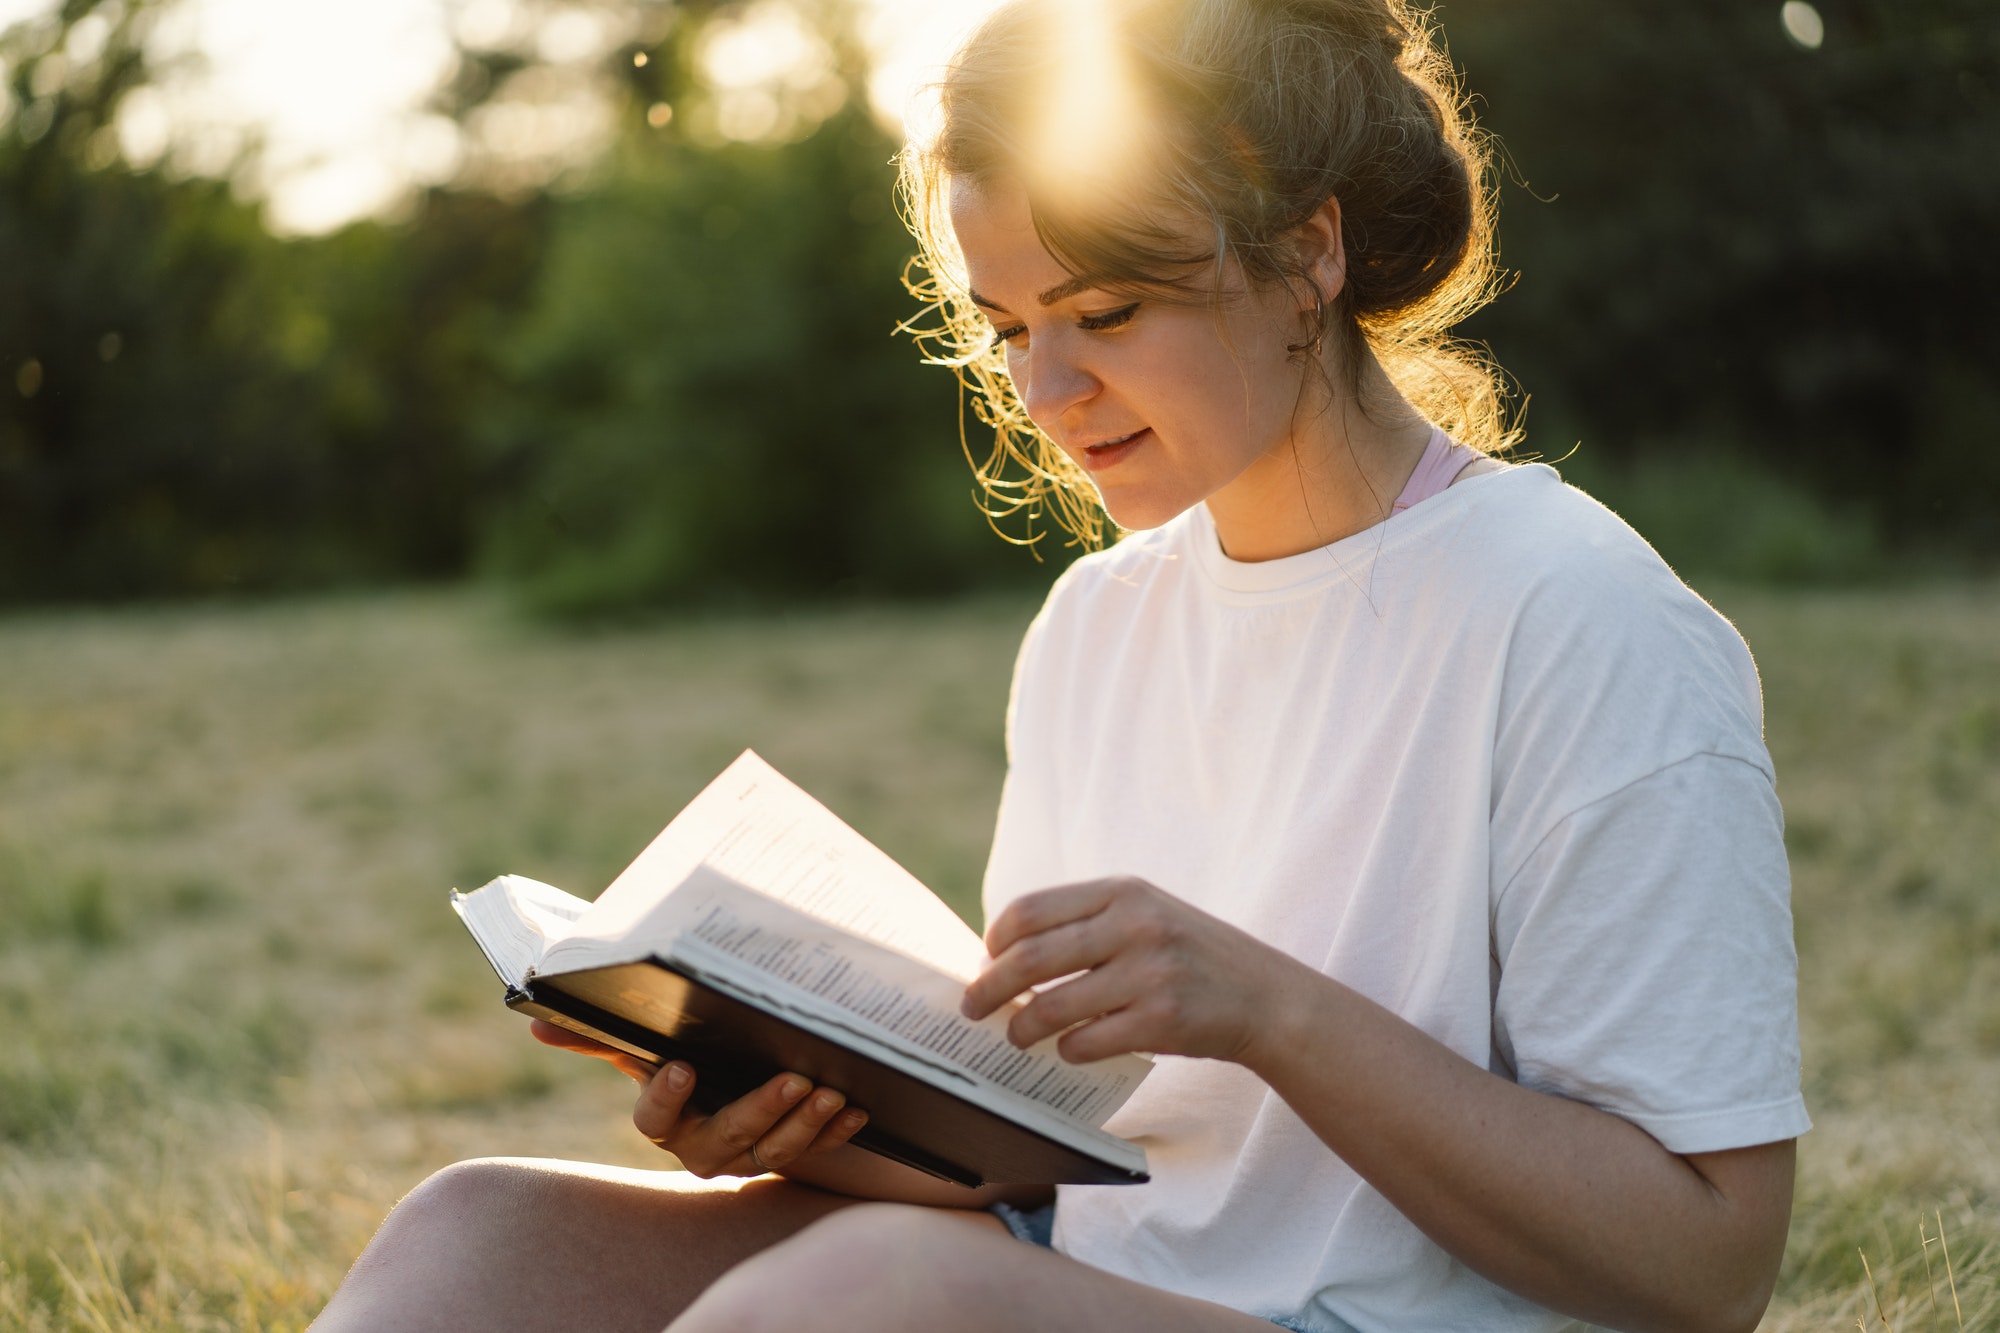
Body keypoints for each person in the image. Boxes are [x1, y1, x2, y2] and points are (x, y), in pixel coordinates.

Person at [311, 0, 1808, 1329]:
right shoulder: (1098, 621)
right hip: (1089, 1280)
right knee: (477, 1230)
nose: (1044, 387)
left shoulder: (1584, 621)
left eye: (1105, 312)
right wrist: (781, 1107)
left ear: (1307, 256)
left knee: (862, 1298)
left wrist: (1268, 1010)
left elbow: (1707, 1266)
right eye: (1007, 323)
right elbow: (1051, 1171)